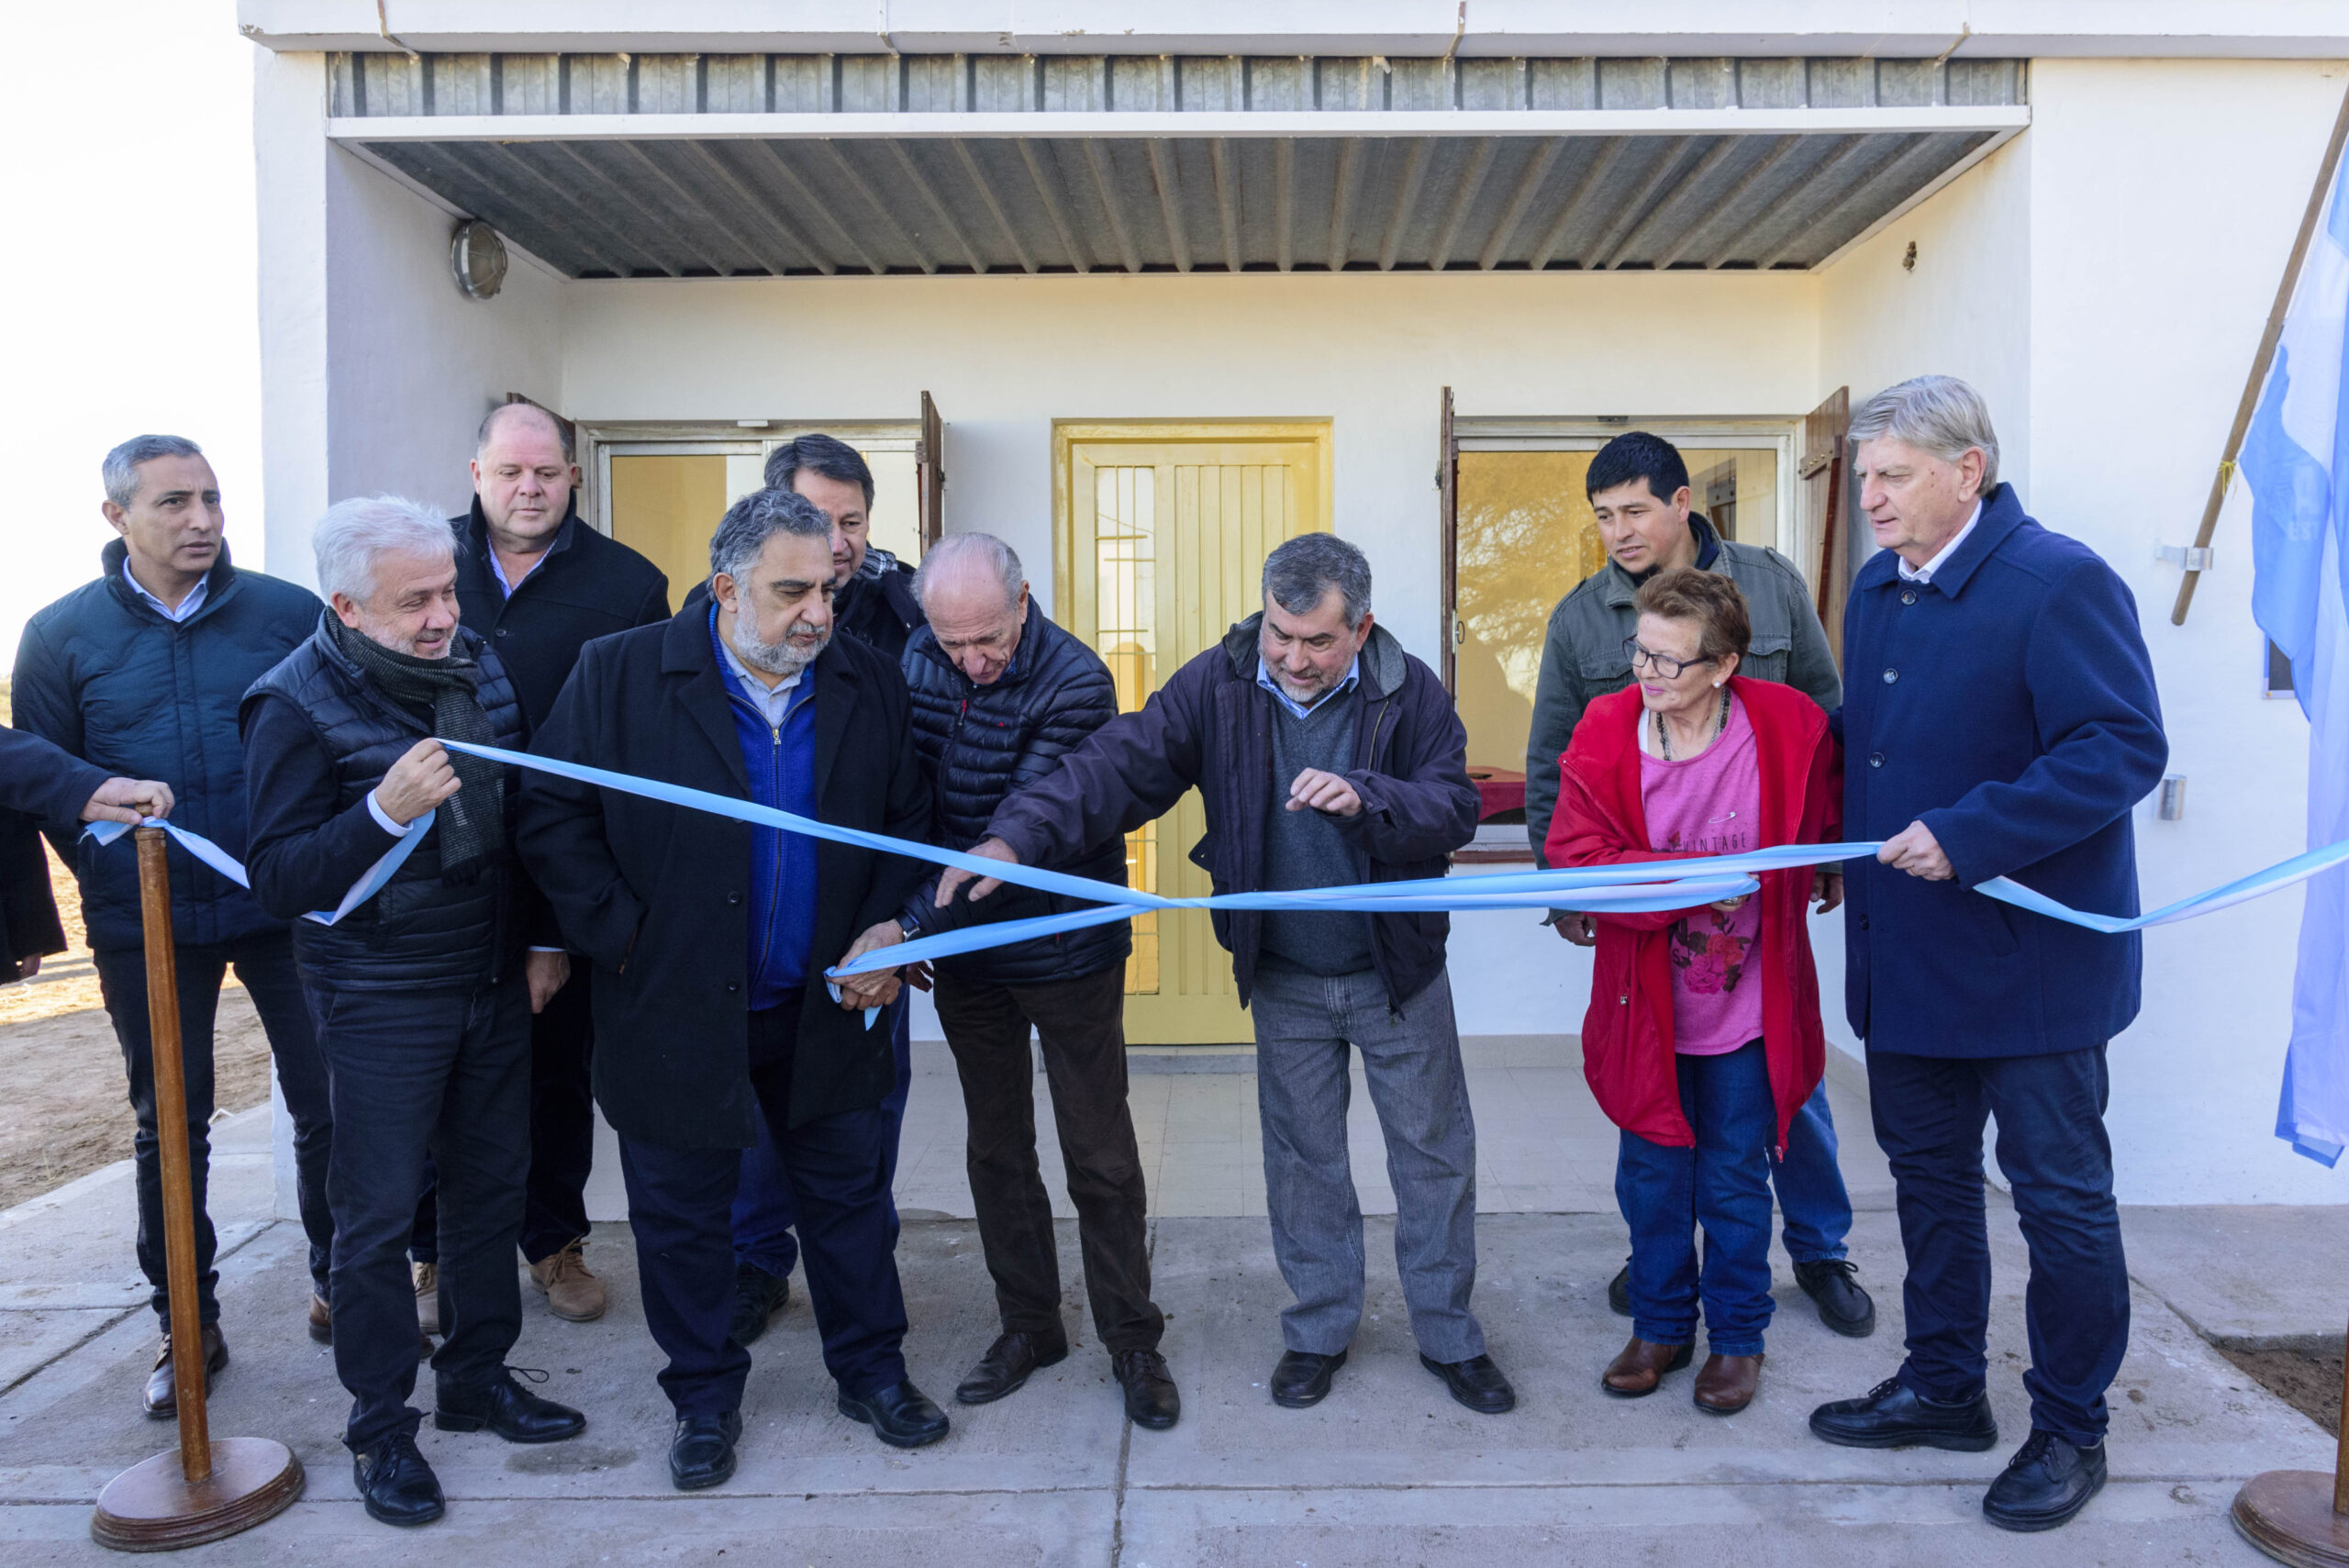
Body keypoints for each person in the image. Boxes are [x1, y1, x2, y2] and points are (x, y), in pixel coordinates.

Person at [941, 532, 1514, 1417]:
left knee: (1434, 1157)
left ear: (1360, 629)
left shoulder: (1412, 692)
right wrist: (1019, 835)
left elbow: (1456, 805)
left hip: (1396, 973)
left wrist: (1372, 797)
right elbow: (1115, 763)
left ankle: (1449, 1334)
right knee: (1302, 1161)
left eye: (1318, 641)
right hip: (1283, 970)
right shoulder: (1220, 679)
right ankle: (1319, 1330)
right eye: (1282, 633)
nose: (1293, 657)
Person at [518, 486, 947, 1494]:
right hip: (672, 1006)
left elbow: (906, 819)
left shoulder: (864, 681)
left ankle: (871, 1371)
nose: (817, 613)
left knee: (848, 1201)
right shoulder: (620, 674)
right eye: (789, 590)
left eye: (828, 589)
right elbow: (549, 814)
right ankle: (704, 1395)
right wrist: (621, 935)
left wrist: (893, 927)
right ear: (724, 588)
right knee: (681, 1213)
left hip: (828, 1001)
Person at [1805, 376, 2166, 1533]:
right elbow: (1872, 748)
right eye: (1864, 478)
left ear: (1969, 470)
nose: (1871, 499)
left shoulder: (2057, 581)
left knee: (2060, 1204)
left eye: (1893, 475)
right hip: (1905, 959)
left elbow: (2119, 746)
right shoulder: (1874, 589)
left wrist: (1967, 834)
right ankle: (1944, 1384)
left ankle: (2070, 1424)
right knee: (1929, 1185)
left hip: (2032, 973)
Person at [242, 496, 584, 1529]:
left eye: (447, 590)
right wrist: (381, 810)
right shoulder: (291, 704)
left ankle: (477, 1381)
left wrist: (539, 938)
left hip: (489, 977)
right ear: (345, 605)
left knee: (491, 1192)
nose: (444, 616)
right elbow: (276, 876)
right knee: (379, 1216)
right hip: (377, 992)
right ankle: (382, 1426)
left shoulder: (474, 664)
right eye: (415, 601)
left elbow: (520, 814)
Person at [12, 434, 337, 1419]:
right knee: (170, 1121)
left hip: (284, 906)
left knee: (329, 1097)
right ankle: (185, 1321)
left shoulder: (287, 614)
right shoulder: (60, 635)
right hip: (145, 923)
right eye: (172, 503)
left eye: (211, 498)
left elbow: (337, 741)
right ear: (117, 517)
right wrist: (120, 879)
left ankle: (342, 1282)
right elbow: (55, 784)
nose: (200, 519)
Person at [1522, 429, 1872, 1340]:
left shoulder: (1772, 582)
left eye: (1634, 509)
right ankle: (1661, 1264)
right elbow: (1553, 766)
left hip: (1762, 935)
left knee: (1786, 1099)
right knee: (1663, 1111)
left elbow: (1825, 725)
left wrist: (1824, 856)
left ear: (1683, 502)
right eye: (1602, 516)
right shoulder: (1580, 618)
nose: (1618, 530)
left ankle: (1820, 1249)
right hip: (1654, 938)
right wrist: (1569, 889)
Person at [402, 402, 671, 1334]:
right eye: (510, 471)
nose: (529, 488)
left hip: (565, 878)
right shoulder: (417, 565)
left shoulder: (629, 584)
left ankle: (552, 1241)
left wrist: (562, 923)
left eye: (547, 473)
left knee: (557, 1070)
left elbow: (641, 750)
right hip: (433, 878)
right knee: (435, 1070)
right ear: (475, 472)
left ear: (572, 477)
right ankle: (430, 1247)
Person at [898, 533, 1177, 1429]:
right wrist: (915, 918)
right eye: (953, 645)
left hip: (1062, 947)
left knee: (1097, 1150)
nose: (973, 661)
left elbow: (1017, 825)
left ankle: (1132, 1337)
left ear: (1024, 601)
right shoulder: (915, 656)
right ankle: (1029, 1325)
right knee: (995, 1146)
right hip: (966, 947)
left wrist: (910, 923)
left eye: (989, 638)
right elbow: (904, 800)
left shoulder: (1075, 680)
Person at [1548, 570, 1842, 1415]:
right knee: (1651, 1176)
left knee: (1735, 1180)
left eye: (1670, 661)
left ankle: (1739, 1340)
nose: (1647, 673)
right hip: (1649, 1009)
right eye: (1640, 651)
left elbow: (1826, 816)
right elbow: (1577, 857)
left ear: (1724, 665)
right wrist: (1690, 883)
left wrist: (1826, 865)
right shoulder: (1606, 729)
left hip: (1751, 1009)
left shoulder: (1787, 725)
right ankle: (1660, 1325)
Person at [729, 433, 926, 1344]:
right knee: (760, 1122)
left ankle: (858, 1267)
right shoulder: (724, 609)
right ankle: (756, 1261)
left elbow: (916, 786)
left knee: (864, 1108)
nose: (838, 543)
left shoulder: (907, 608)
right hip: (755, 924)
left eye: (852, 521)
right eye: (818, 520)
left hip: (867, 931)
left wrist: (905, 919)